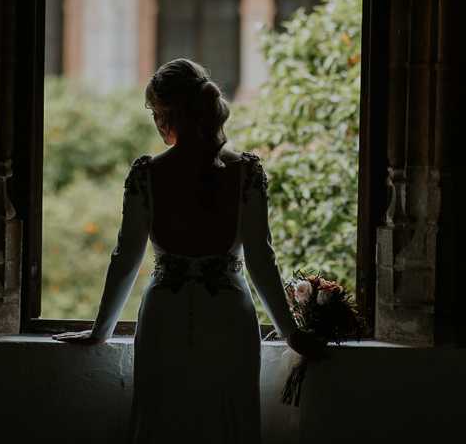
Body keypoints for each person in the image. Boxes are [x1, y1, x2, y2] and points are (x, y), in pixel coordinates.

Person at [53, 58, 327, 443]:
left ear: (165, 112)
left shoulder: (146, 173)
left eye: (154, 111)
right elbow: (262, 261)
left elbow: (125, 258)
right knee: (229, 423)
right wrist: (292, 333)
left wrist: (101, 331)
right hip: (230, 318)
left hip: (164, 316)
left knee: (161, 420)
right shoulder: (247, 171)